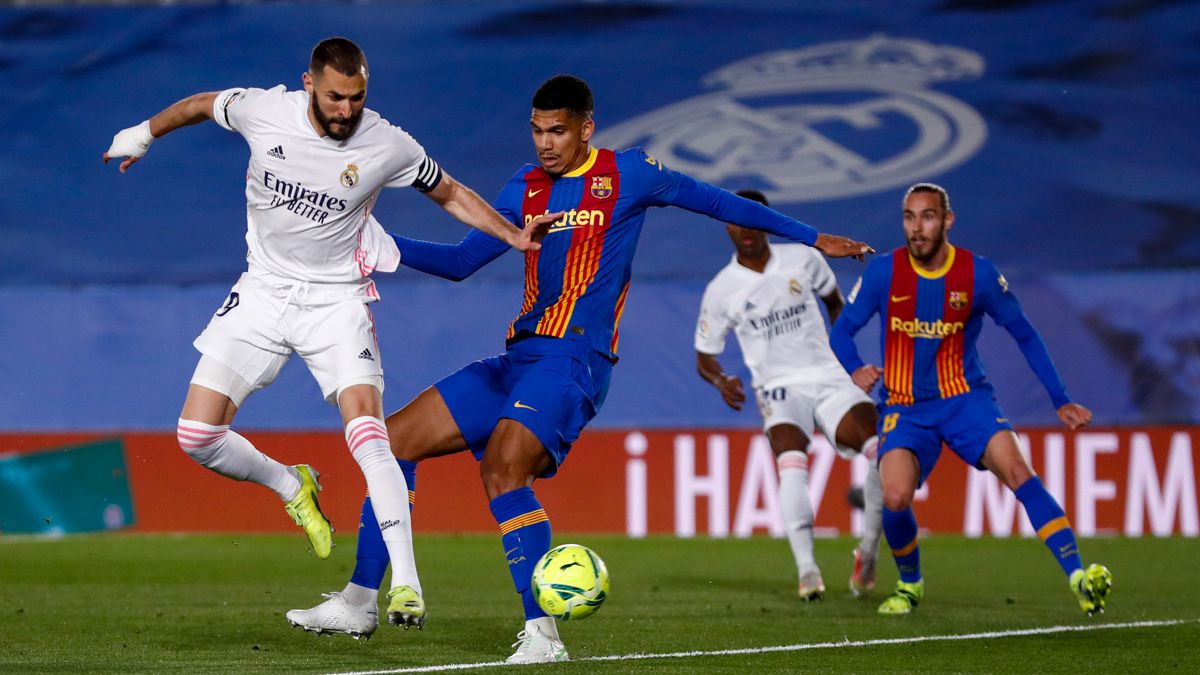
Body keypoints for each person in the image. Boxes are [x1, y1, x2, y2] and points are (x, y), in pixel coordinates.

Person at [285, 74, 871, 662]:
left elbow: (719, 201)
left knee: (503, 469)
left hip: (575, 361)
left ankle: (543, 636)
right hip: (521, 358)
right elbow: (465, 261)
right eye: (537, 131)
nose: (545, 143)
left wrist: (813, 236)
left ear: (586, 128)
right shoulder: (525, 187)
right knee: (395, 441)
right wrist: (381, 242)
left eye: (558, 131)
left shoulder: (630, 174)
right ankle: (359, 601)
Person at [102, 38, 548, 613]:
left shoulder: (386, 142)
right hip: (262, 293)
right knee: (196, 437)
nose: (346, 110)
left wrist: (510, 235)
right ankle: (293, 486)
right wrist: (143, 133)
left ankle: (407, 583)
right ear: (309, 84)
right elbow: (199, 104)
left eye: (357, 98)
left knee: (369, 434)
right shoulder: (264, 111)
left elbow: (451, 192)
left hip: (336, 303)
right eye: (336, 97)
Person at [828, 182, 1112, 616]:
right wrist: (856, 367)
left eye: (927, 217)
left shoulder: (977, 274)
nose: (917, 228)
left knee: (1018, 470)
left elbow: (1025, 333)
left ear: (947, 221)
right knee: (896, 496)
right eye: (909, 217)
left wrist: (1060, 398)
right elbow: (841, 331)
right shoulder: (885, 272)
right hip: (904, 406)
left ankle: (1077, 574)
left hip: (965, 400)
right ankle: (910, 584)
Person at [694, 189, 883, 602]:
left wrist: (849, 362)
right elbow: (705, 357)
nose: (745, 228)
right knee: (790, 461)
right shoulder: (721, 289)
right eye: (737, 220)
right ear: (727, 226)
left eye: (754, 218)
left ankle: (868, 550)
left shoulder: (804, 259)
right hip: (778, 388)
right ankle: (808, 571)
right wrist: (722, 380)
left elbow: (836, 307)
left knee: (881, 451)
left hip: (829, 376)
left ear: (768, 220)